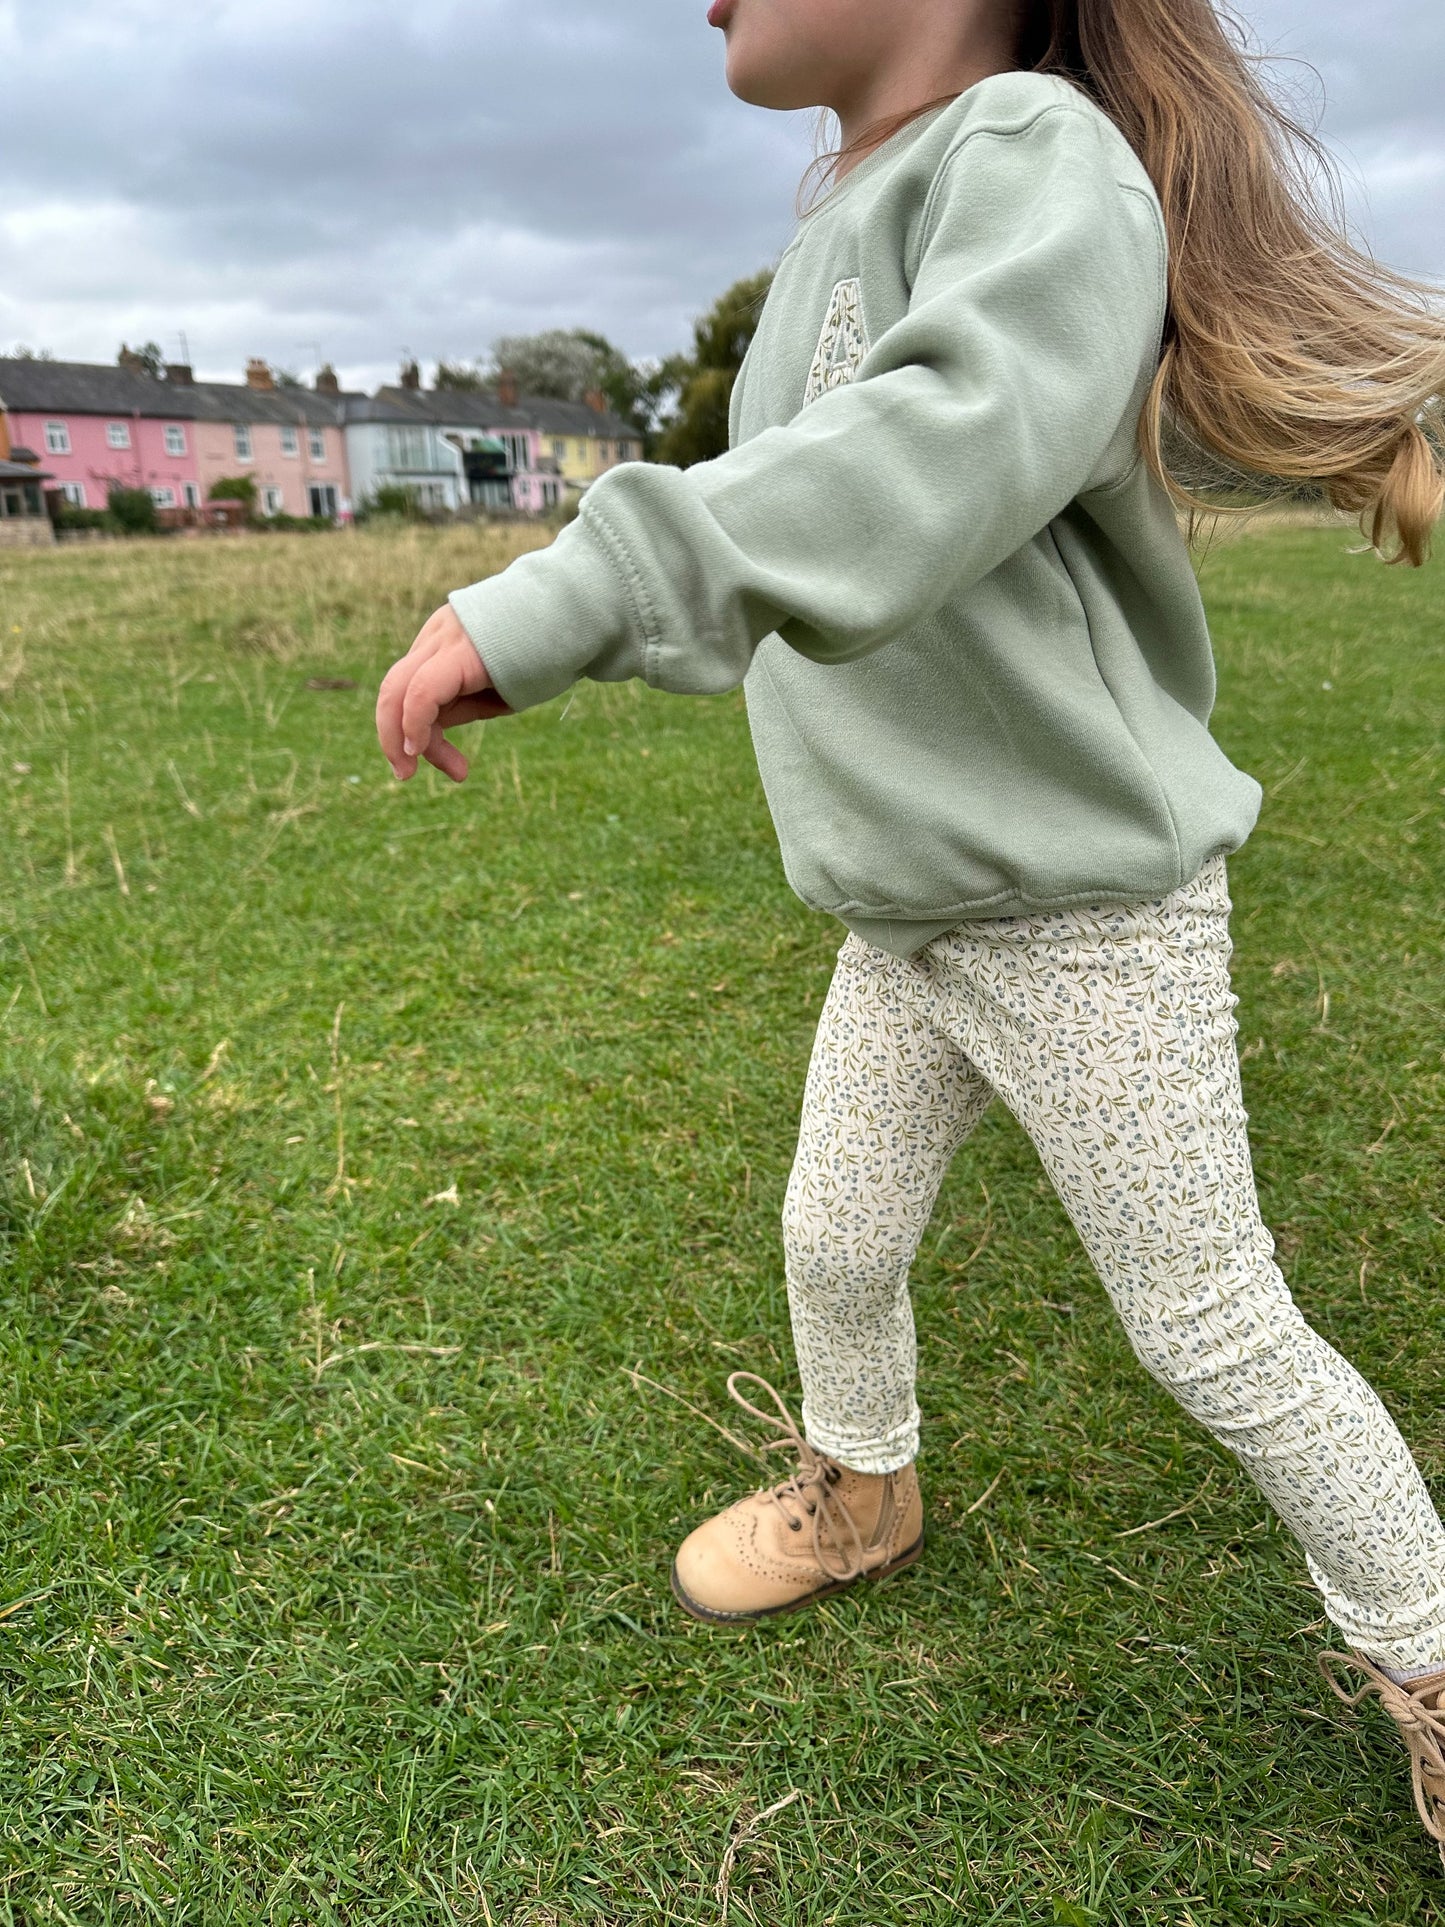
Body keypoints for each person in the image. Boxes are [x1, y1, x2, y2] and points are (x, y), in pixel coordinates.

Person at [376, 0, 1445, 1865]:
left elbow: (935, 449)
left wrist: (574, 593)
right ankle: (861, 1492)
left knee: (1210, 1329)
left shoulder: (1031, 152)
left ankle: (1429, 1651)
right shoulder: (831, 225)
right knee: (830, 1233)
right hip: (907, 923)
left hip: (1080, 918)